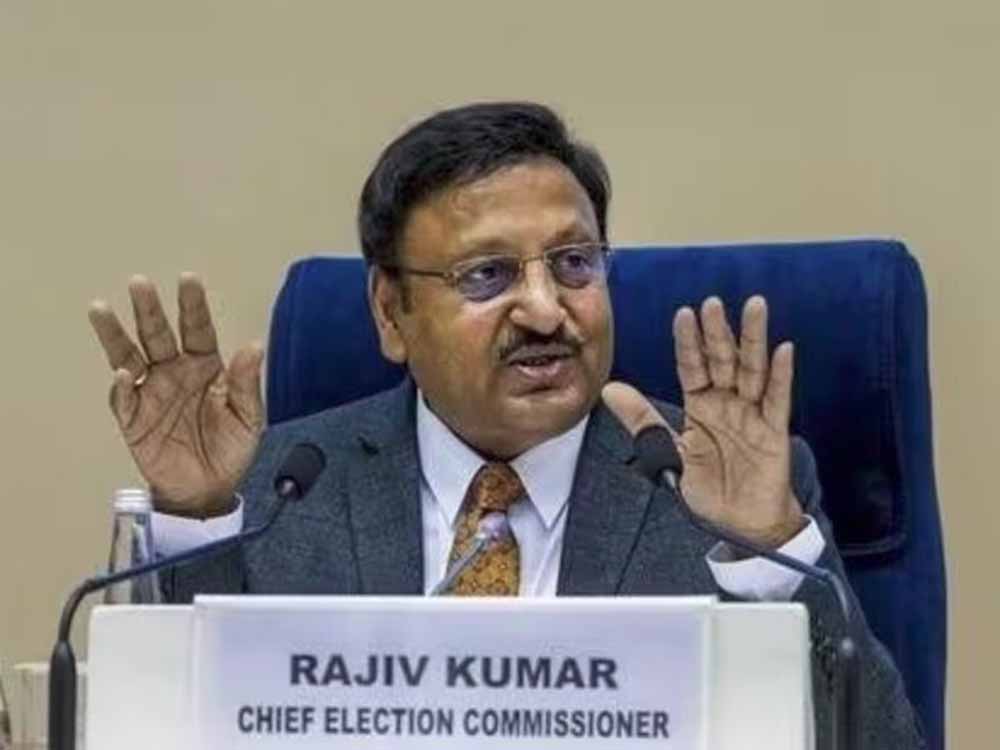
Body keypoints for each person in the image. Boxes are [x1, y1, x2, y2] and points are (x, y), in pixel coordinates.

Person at [88, 102, 924, 746]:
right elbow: (166, 726)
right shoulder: (281, 490)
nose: (545, 309)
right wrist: (195, 520)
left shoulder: (715, 495)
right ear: (390, 311)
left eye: (574, 264)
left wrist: (768, 550)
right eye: (488, 275)